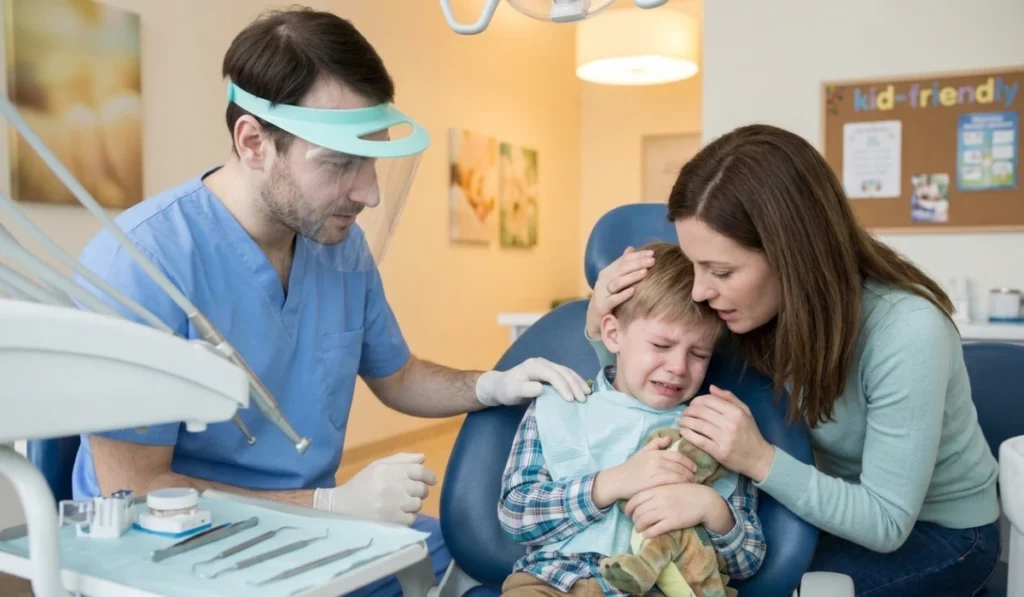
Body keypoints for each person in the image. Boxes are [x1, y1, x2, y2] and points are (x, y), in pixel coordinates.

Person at [70, 7, 590, 596]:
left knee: (500, 565)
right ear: (254, 143)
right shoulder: (141, 262)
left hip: (312, 530)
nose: (368, 193)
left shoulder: (337, 246)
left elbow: (398, 376)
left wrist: (492, 385)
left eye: (370, 162)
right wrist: (328, 505)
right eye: (341, 163)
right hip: (179, 549)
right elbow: (137, 489)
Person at [586, 124, 1002, 596]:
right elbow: (657, 383)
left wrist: (757, 458)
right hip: (815, 512)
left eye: (720, 271)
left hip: (938, 533)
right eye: (695, 264)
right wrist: (599, 320)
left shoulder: (908, 331)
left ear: (791, 255)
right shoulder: (752, 309)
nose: (700, 290)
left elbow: (886, 522)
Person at [499, 242, 766, 596]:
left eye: (699, 354)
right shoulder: (558, 408)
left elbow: (748, 560)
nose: (678, 367)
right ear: (613, 334)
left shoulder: (712, 432)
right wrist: (610, 484)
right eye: (660, 346)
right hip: (552, 582)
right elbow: (516, 516)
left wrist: (710, 507)